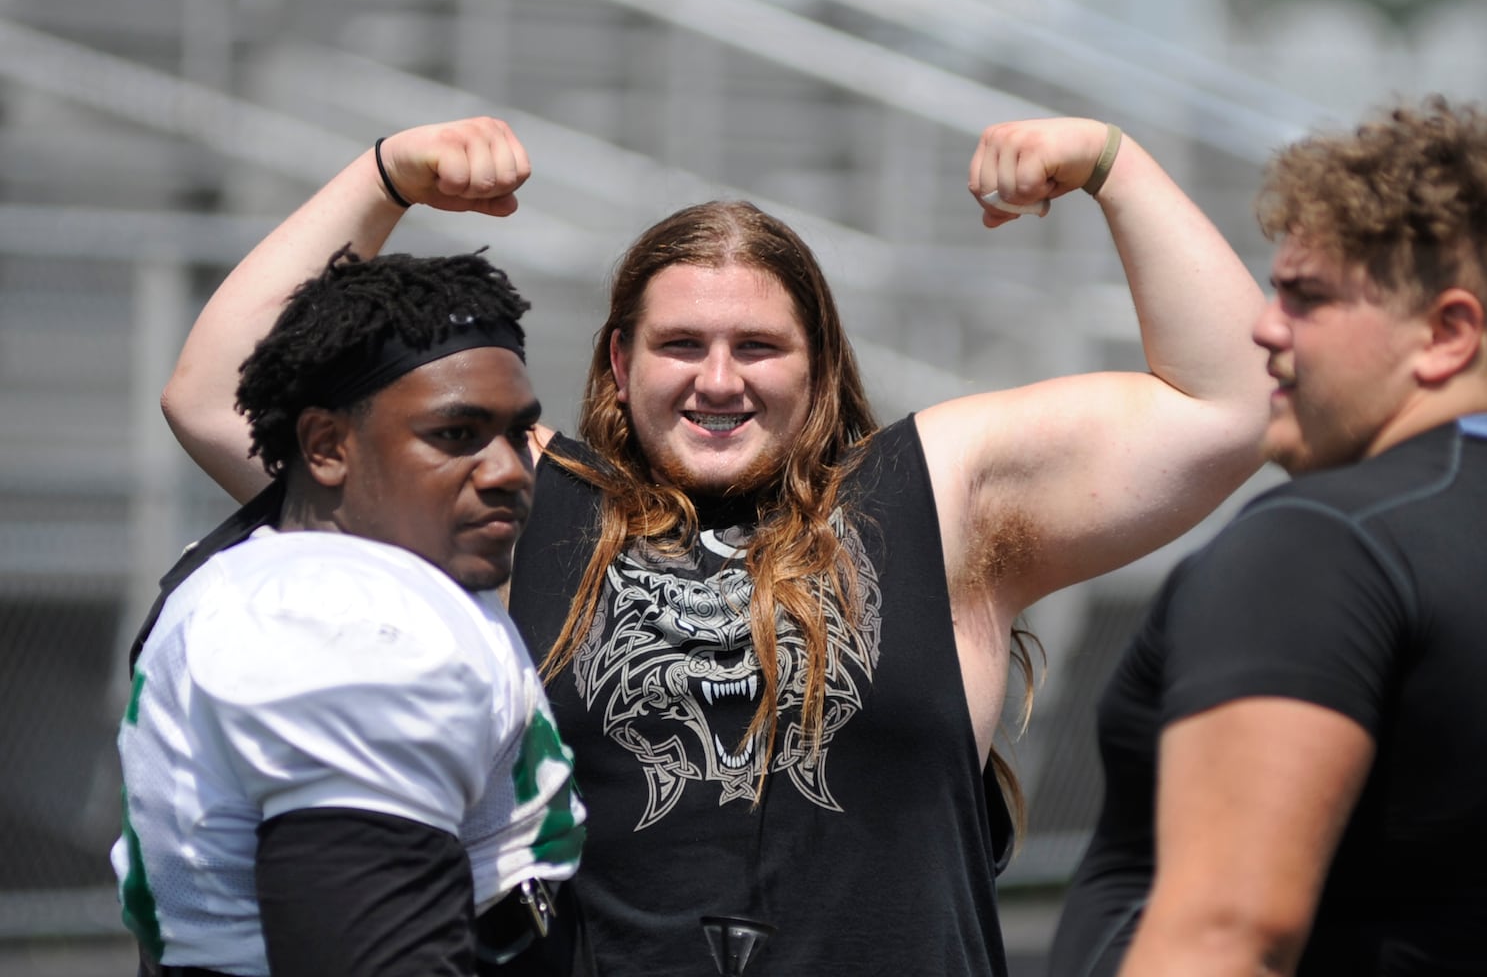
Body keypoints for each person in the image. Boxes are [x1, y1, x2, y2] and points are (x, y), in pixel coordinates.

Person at [159, 114, 1271, 975]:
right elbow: (221, 399)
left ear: (820, 365)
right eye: (679, 342)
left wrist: (1113, 168)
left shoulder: (938, 495)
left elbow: (1225, 403)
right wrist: (383, 178)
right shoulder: (518, 496)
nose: (718, 379)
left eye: (758, 345)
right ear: (617, 362)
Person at [1047, 95, 1487, 977]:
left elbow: (1224, 937)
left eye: (1306, 298)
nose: (1263, 325)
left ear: (1445, 335)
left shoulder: (1320, 543)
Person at [113, 249, 587, 977]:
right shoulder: (348, 623)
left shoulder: (302, 569)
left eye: (516, 433)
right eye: (455, 436)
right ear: (327, 446)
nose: (508, 472)